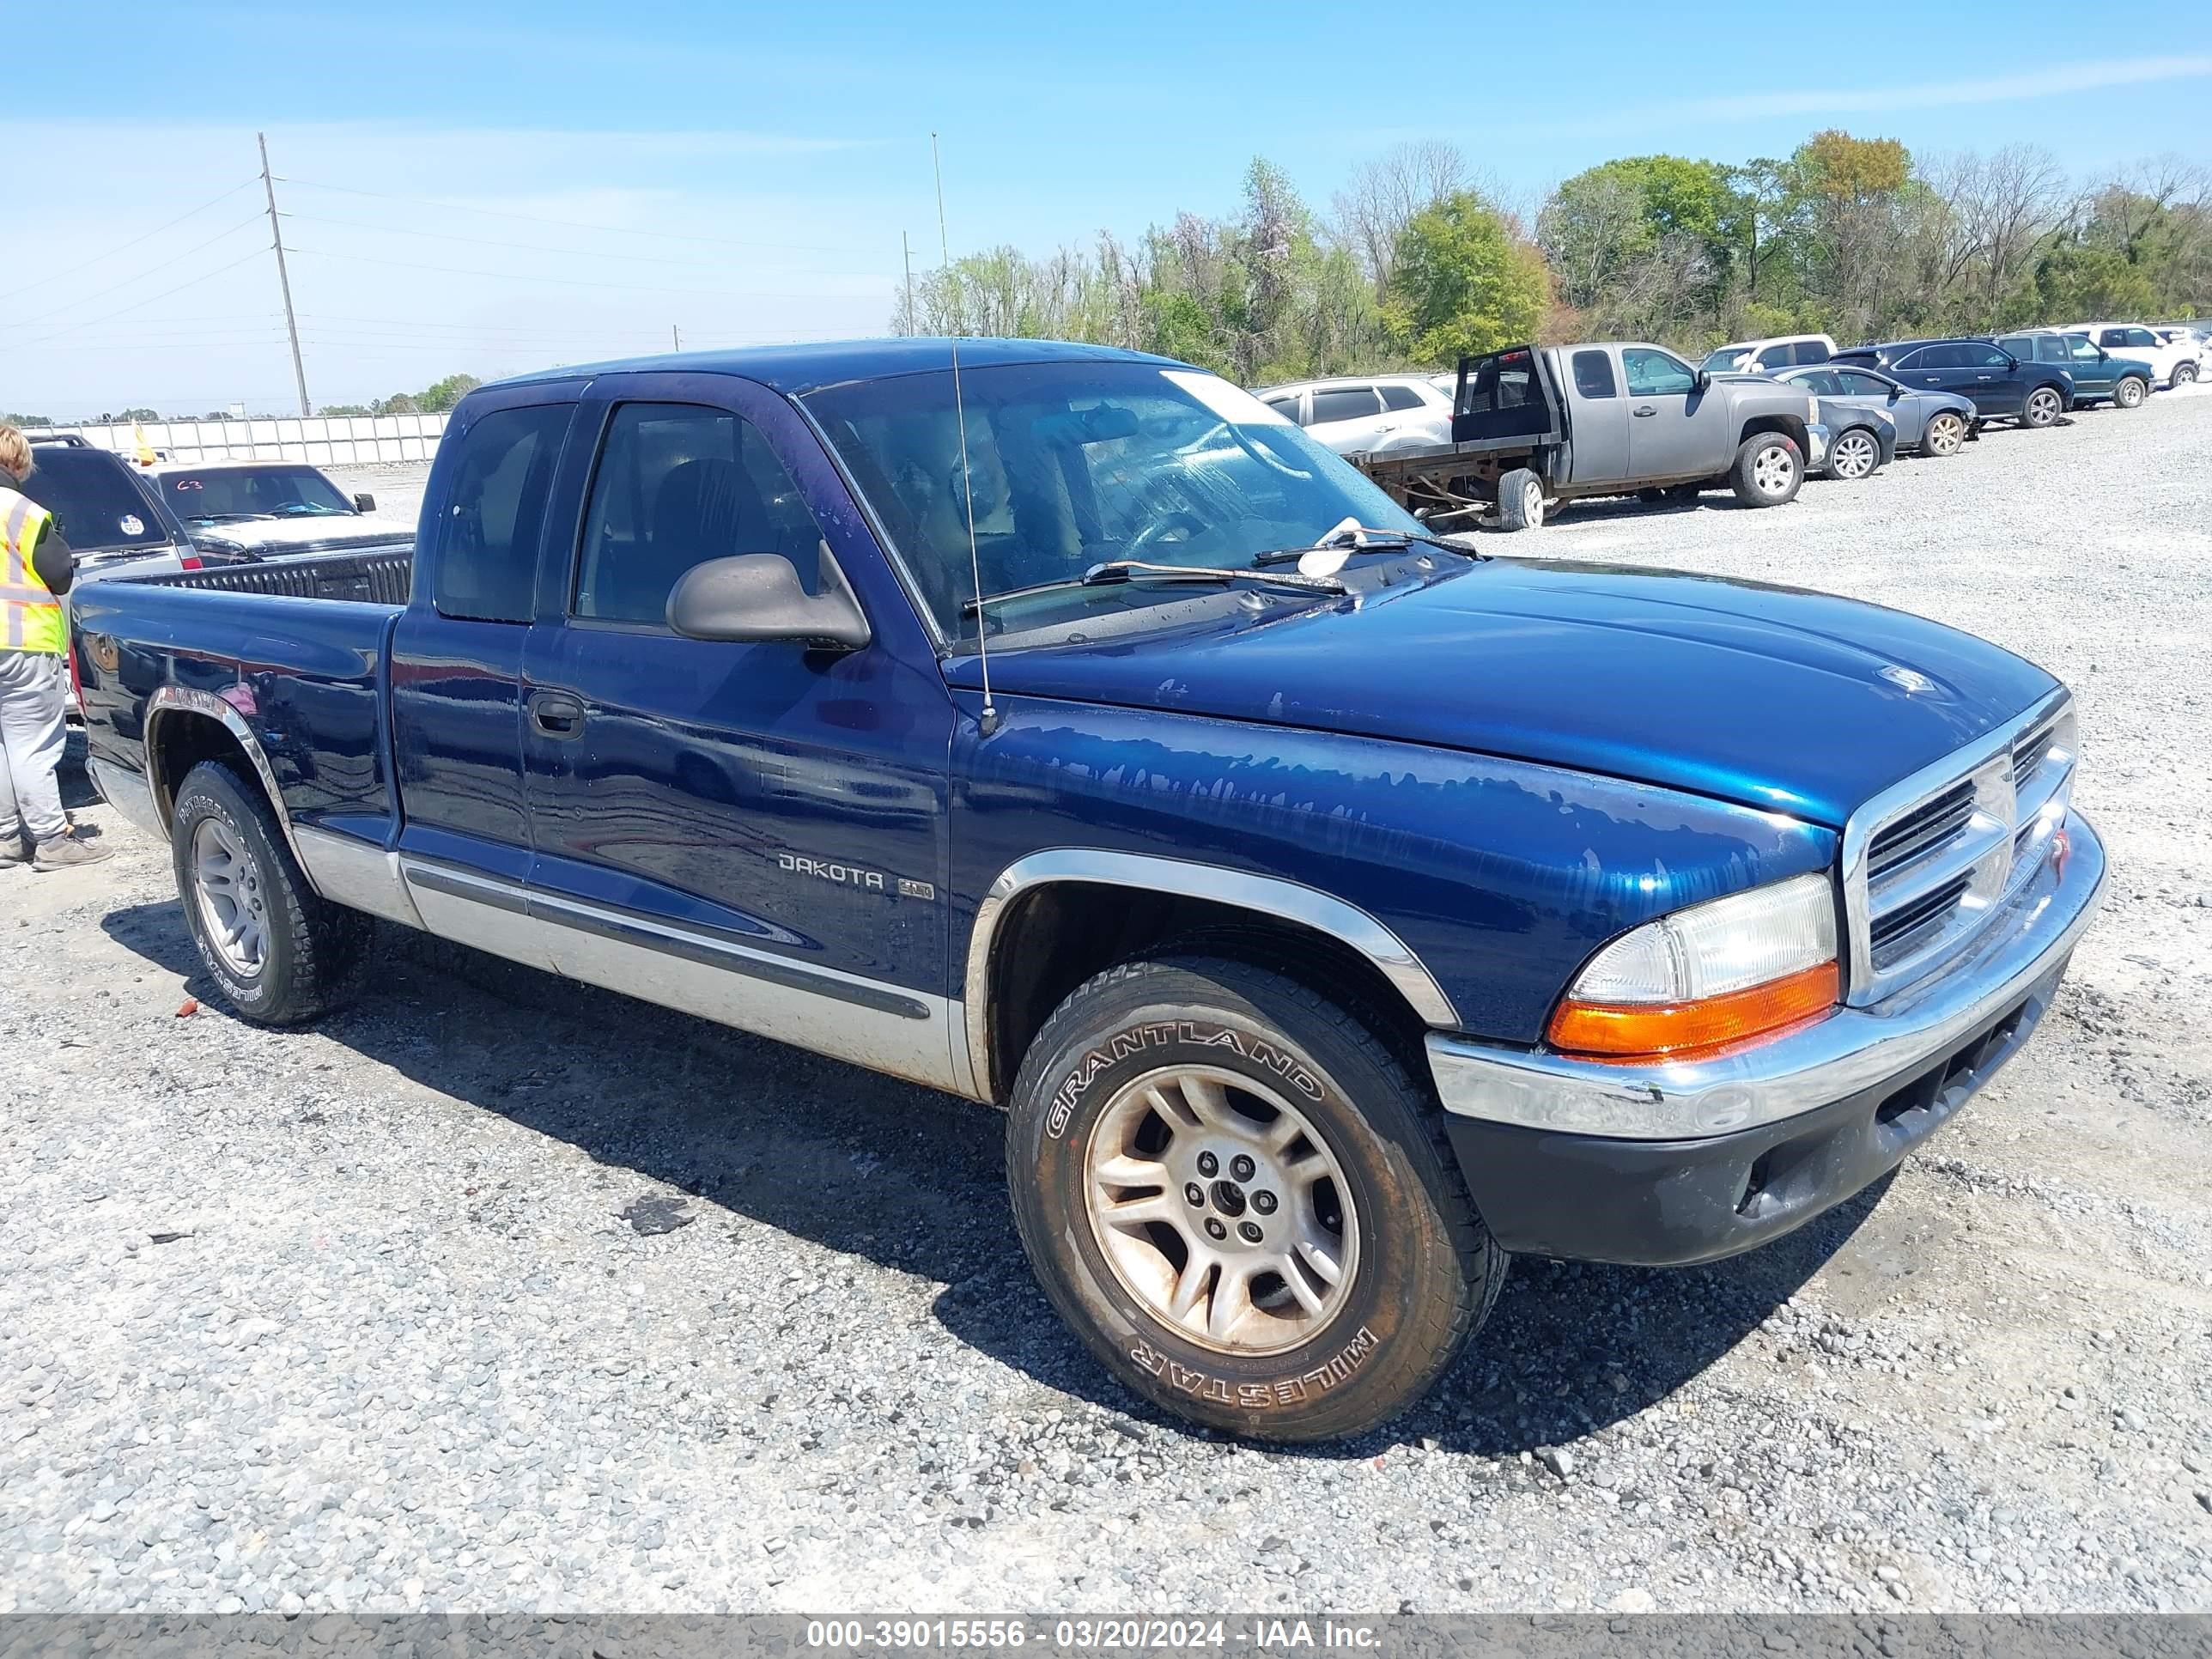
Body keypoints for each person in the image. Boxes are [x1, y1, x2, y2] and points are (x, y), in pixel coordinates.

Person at [1, 425, 111, 869]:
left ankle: (7, 836)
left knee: (3, 745)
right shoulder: (19, 510)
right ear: (16, 461)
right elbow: (58, 572)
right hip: (20, 643)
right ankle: (51, 839)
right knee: (31, 743)